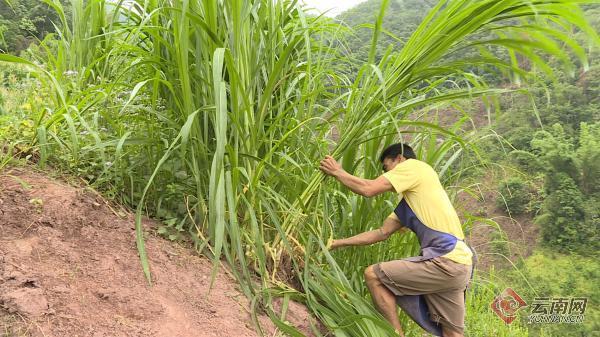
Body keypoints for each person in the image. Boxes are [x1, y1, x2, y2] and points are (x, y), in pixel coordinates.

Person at [319, 143, 474, 337]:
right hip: (460, 265)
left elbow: (368, 188)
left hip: (444, 261)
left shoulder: (415, 167)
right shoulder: (412, 202)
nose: (387, 173)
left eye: (386, 167)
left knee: (373, 275)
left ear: (399, 159)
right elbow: (380, 233)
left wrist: (337, 172)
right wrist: (336, 243)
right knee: (452, 334)